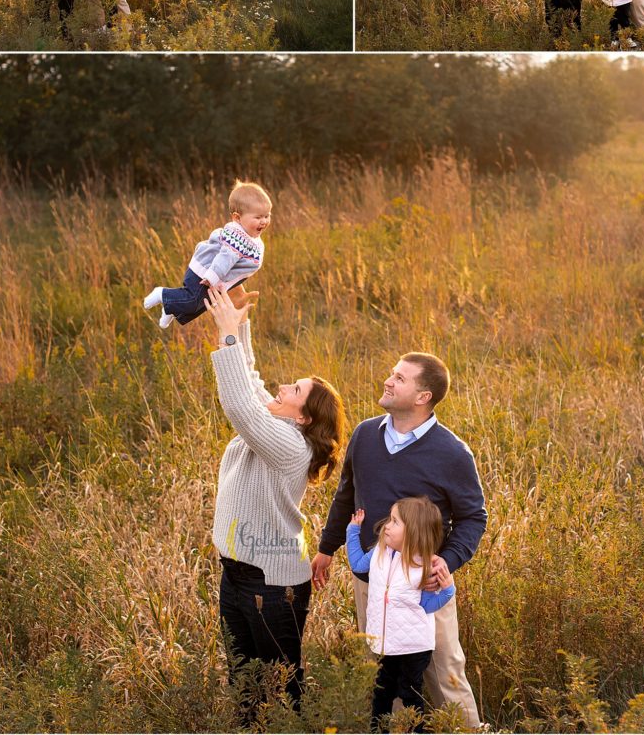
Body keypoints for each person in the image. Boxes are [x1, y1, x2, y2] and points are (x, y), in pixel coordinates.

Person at [312, 353, 487, 729]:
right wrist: (326, 550)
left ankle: (466, 731)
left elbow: (473, 517)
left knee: (443, 672)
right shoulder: (364, 435)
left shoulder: (452, 453)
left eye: (400, 378)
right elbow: (346, 496)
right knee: (381, 671)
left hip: (424, 583)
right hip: (372, 582)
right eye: (392, 373)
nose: (388, 381)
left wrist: (446, 562)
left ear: (423, 396)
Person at [204, 285, 346, 716]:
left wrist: (227, 337)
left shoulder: (289, 444)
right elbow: (250, 387)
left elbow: (240, 406)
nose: (282, 387)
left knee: (282, 690)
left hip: (271, 584)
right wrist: (241, 326)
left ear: (303, 417)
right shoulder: (278, 423)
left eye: (295, 390)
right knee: (245, 685)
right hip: (237, 576)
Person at [346, 499, 456, 733]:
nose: (386, 525)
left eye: (395, 521)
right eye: (389, 518)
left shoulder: (424, 565)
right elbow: (356, 564)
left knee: (409, 694)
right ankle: (379, 730)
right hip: (387, 644)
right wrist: (352, 531)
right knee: (382, 692)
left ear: (413, 532)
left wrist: (447, 590)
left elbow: (427, 606)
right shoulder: (379, 552)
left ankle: (415, 731)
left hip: (414, 647)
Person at [143, 181, 269, 328]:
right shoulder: (238, 237)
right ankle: (162, 294)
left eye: (267, 216)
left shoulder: (250, 235)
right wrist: (211, 277)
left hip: (214, 278)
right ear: (237, 218)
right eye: (258, 217)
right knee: (192, 301)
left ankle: (170, 307)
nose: (264, 221)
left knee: (203, 304)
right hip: (205, 273)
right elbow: (225, 258)